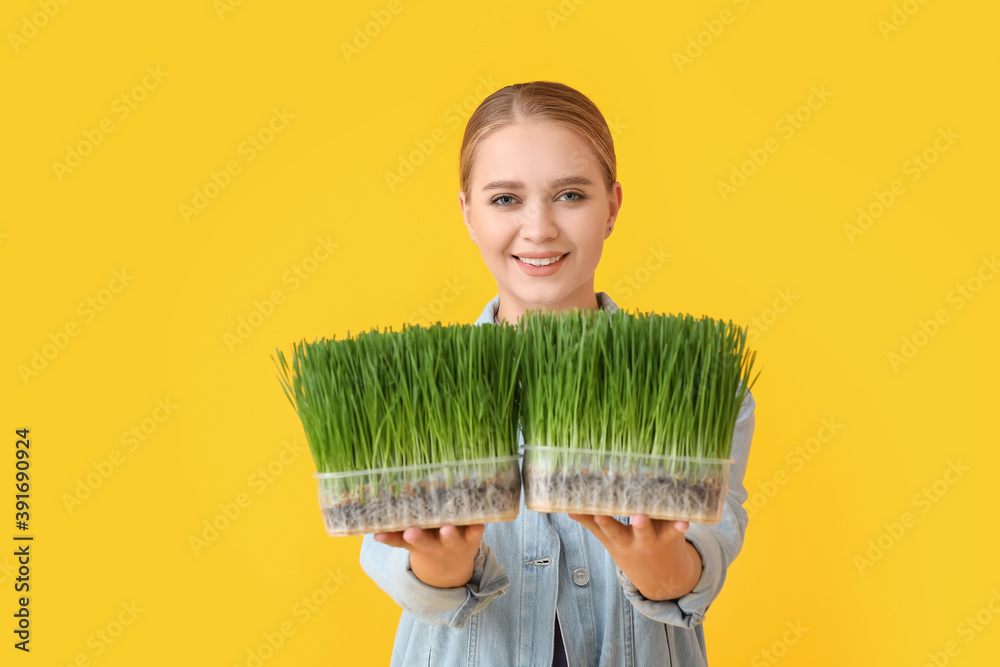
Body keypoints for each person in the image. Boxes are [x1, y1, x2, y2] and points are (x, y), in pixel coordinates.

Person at [359, 81, 756, 666]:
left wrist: (661, 566)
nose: (540, 227)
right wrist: (440, 569)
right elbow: (391, 556)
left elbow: (712, 540)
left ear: (612, 207)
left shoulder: (702, 385)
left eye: (570, 194)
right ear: (467, 213)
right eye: (504, 199)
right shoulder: (410, 392)